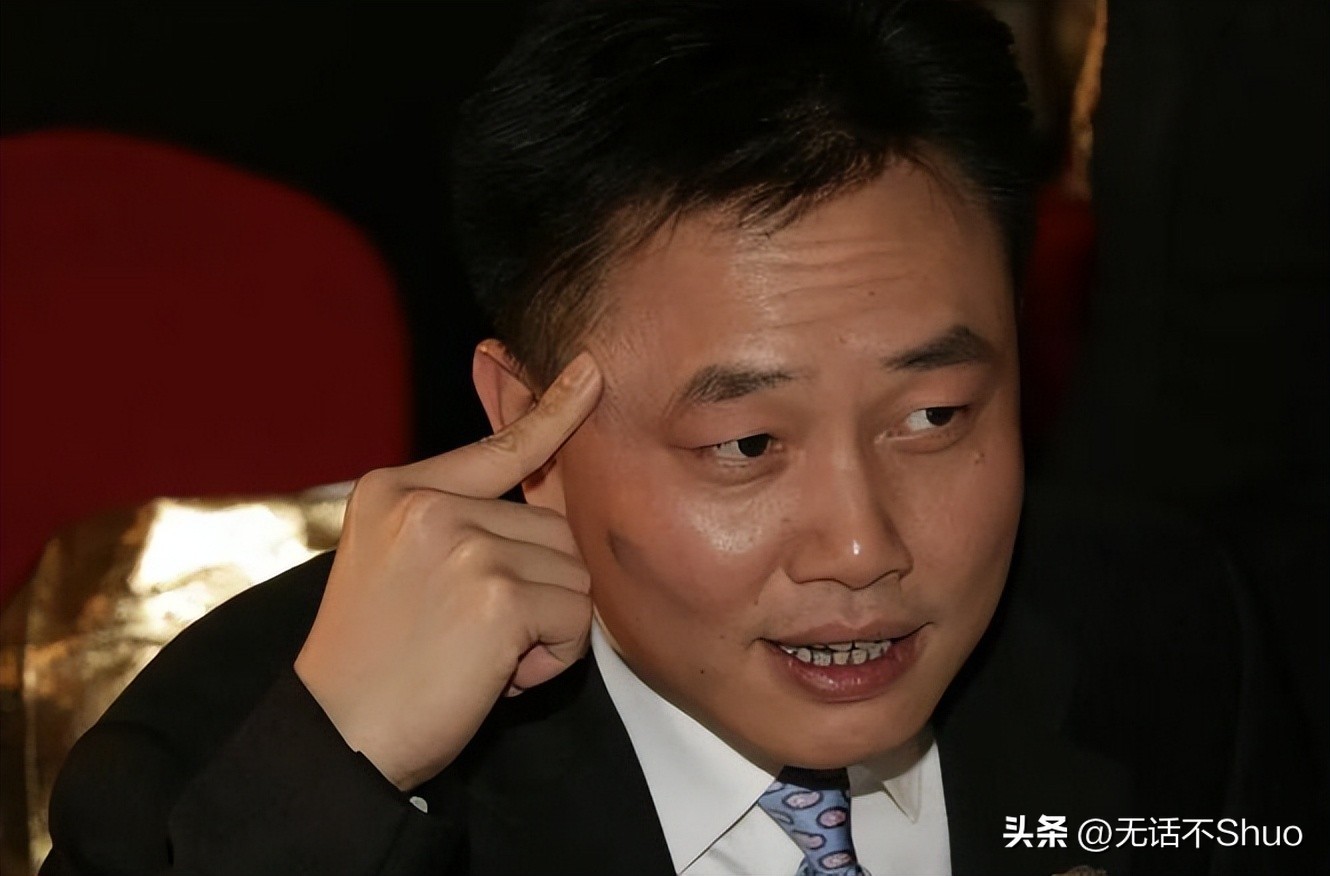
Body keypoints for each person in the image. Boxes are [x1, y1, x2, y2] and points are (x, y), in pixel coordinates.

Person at [42, 1, 1320, 873]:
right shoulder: (238, 764)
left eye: (933, 417)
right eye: (746, 445)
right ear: (528, 428)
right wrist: (341, 784)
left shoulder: (1160, 635)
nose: (861, 547)